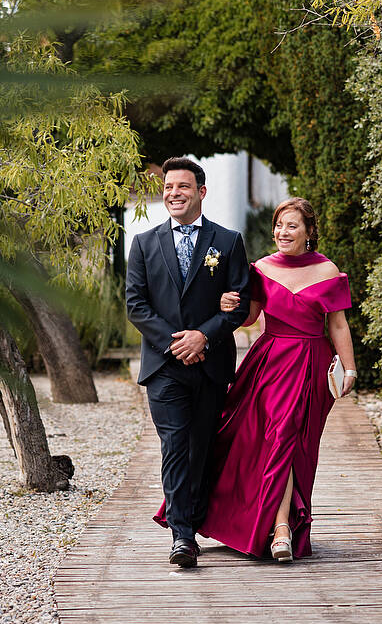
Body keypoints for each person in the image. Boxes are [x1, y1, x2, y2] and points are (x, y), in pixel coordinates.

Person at [199, 196, 357, 562]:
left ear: (309, 232)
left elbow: (337, 324)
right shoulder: (263, 268)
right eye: (279, 225)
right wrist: (223, 307)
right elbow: (251, 318)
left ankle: (280, 525)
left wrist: (349, 368)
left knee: (297, 446)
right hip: (270, 363)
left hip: (312, 365)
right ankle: (282, 528)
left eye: (292, 226)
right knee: (278, 437)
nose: (282, 233)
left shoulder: (328, 271)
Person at [126, 157, 250, 568]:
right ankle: (182, 536)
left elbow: (240, 304)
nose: (173, 193)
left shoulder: (228, 241)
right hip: (164, 366)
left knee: (201, 447)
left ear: (201, 191)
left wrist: (204, 336)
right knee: (174, 445)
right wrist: (176, 342)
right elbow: (136, 305)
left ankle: (195, 520)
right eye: (168, 187)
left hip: (210, 363)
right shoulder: (143, 243)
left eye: (182, 186)